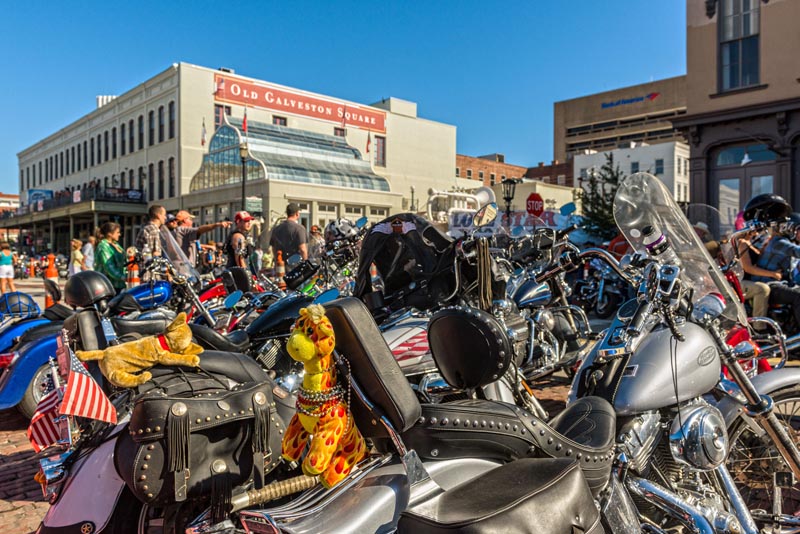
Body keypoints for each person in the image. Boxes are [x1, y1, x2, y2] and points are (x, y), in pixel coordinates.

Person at [95, 222, 127, 294]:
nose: (119, 234)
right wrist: (123, 277)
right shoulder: (103, 246)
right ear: (109, 234)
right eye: (117, 232)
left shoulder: (116, 244)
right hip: (108, 285)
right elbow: (109, 267)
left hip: (118, 284)